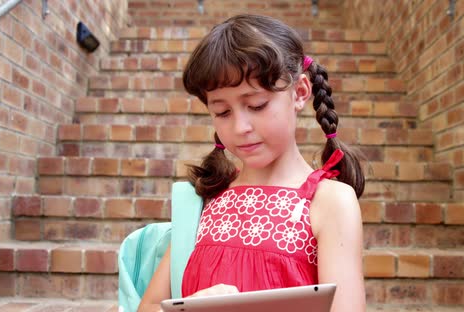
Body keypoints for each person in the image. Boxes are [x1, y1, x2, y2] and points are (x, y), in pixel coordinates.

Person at [138, 14, 366, 312]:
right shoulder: (206, 199)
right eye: (222, 112)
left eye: (256, 105)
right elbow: (149, 307)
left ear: (299, 92)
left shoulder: (330, 202)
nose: (240, 127)